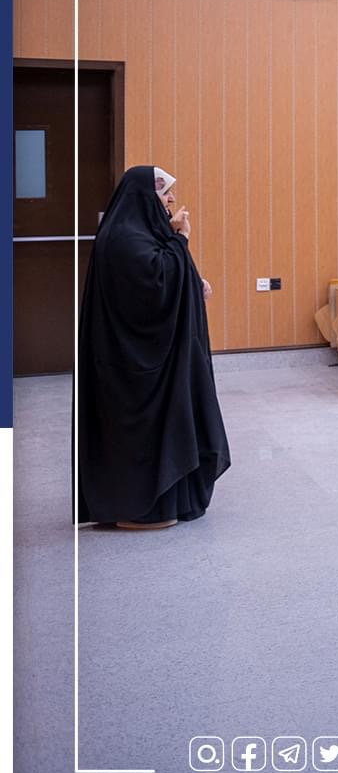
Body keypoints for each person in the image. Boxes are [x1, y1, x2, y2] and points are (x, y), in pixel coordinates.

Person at [77, 166, 231, 529]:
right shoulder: (124, 237)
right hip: (135, 366)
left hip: (149, 361)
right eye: (164, 193)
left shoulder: (135, 233)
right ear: (143, 196)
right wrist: (182, 238)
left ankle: (168, 503)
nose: (171, 199)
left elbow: (166, 272)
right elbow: (154, 283)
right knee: (144, 435)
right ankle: (141, 509)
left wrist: (193, 279)